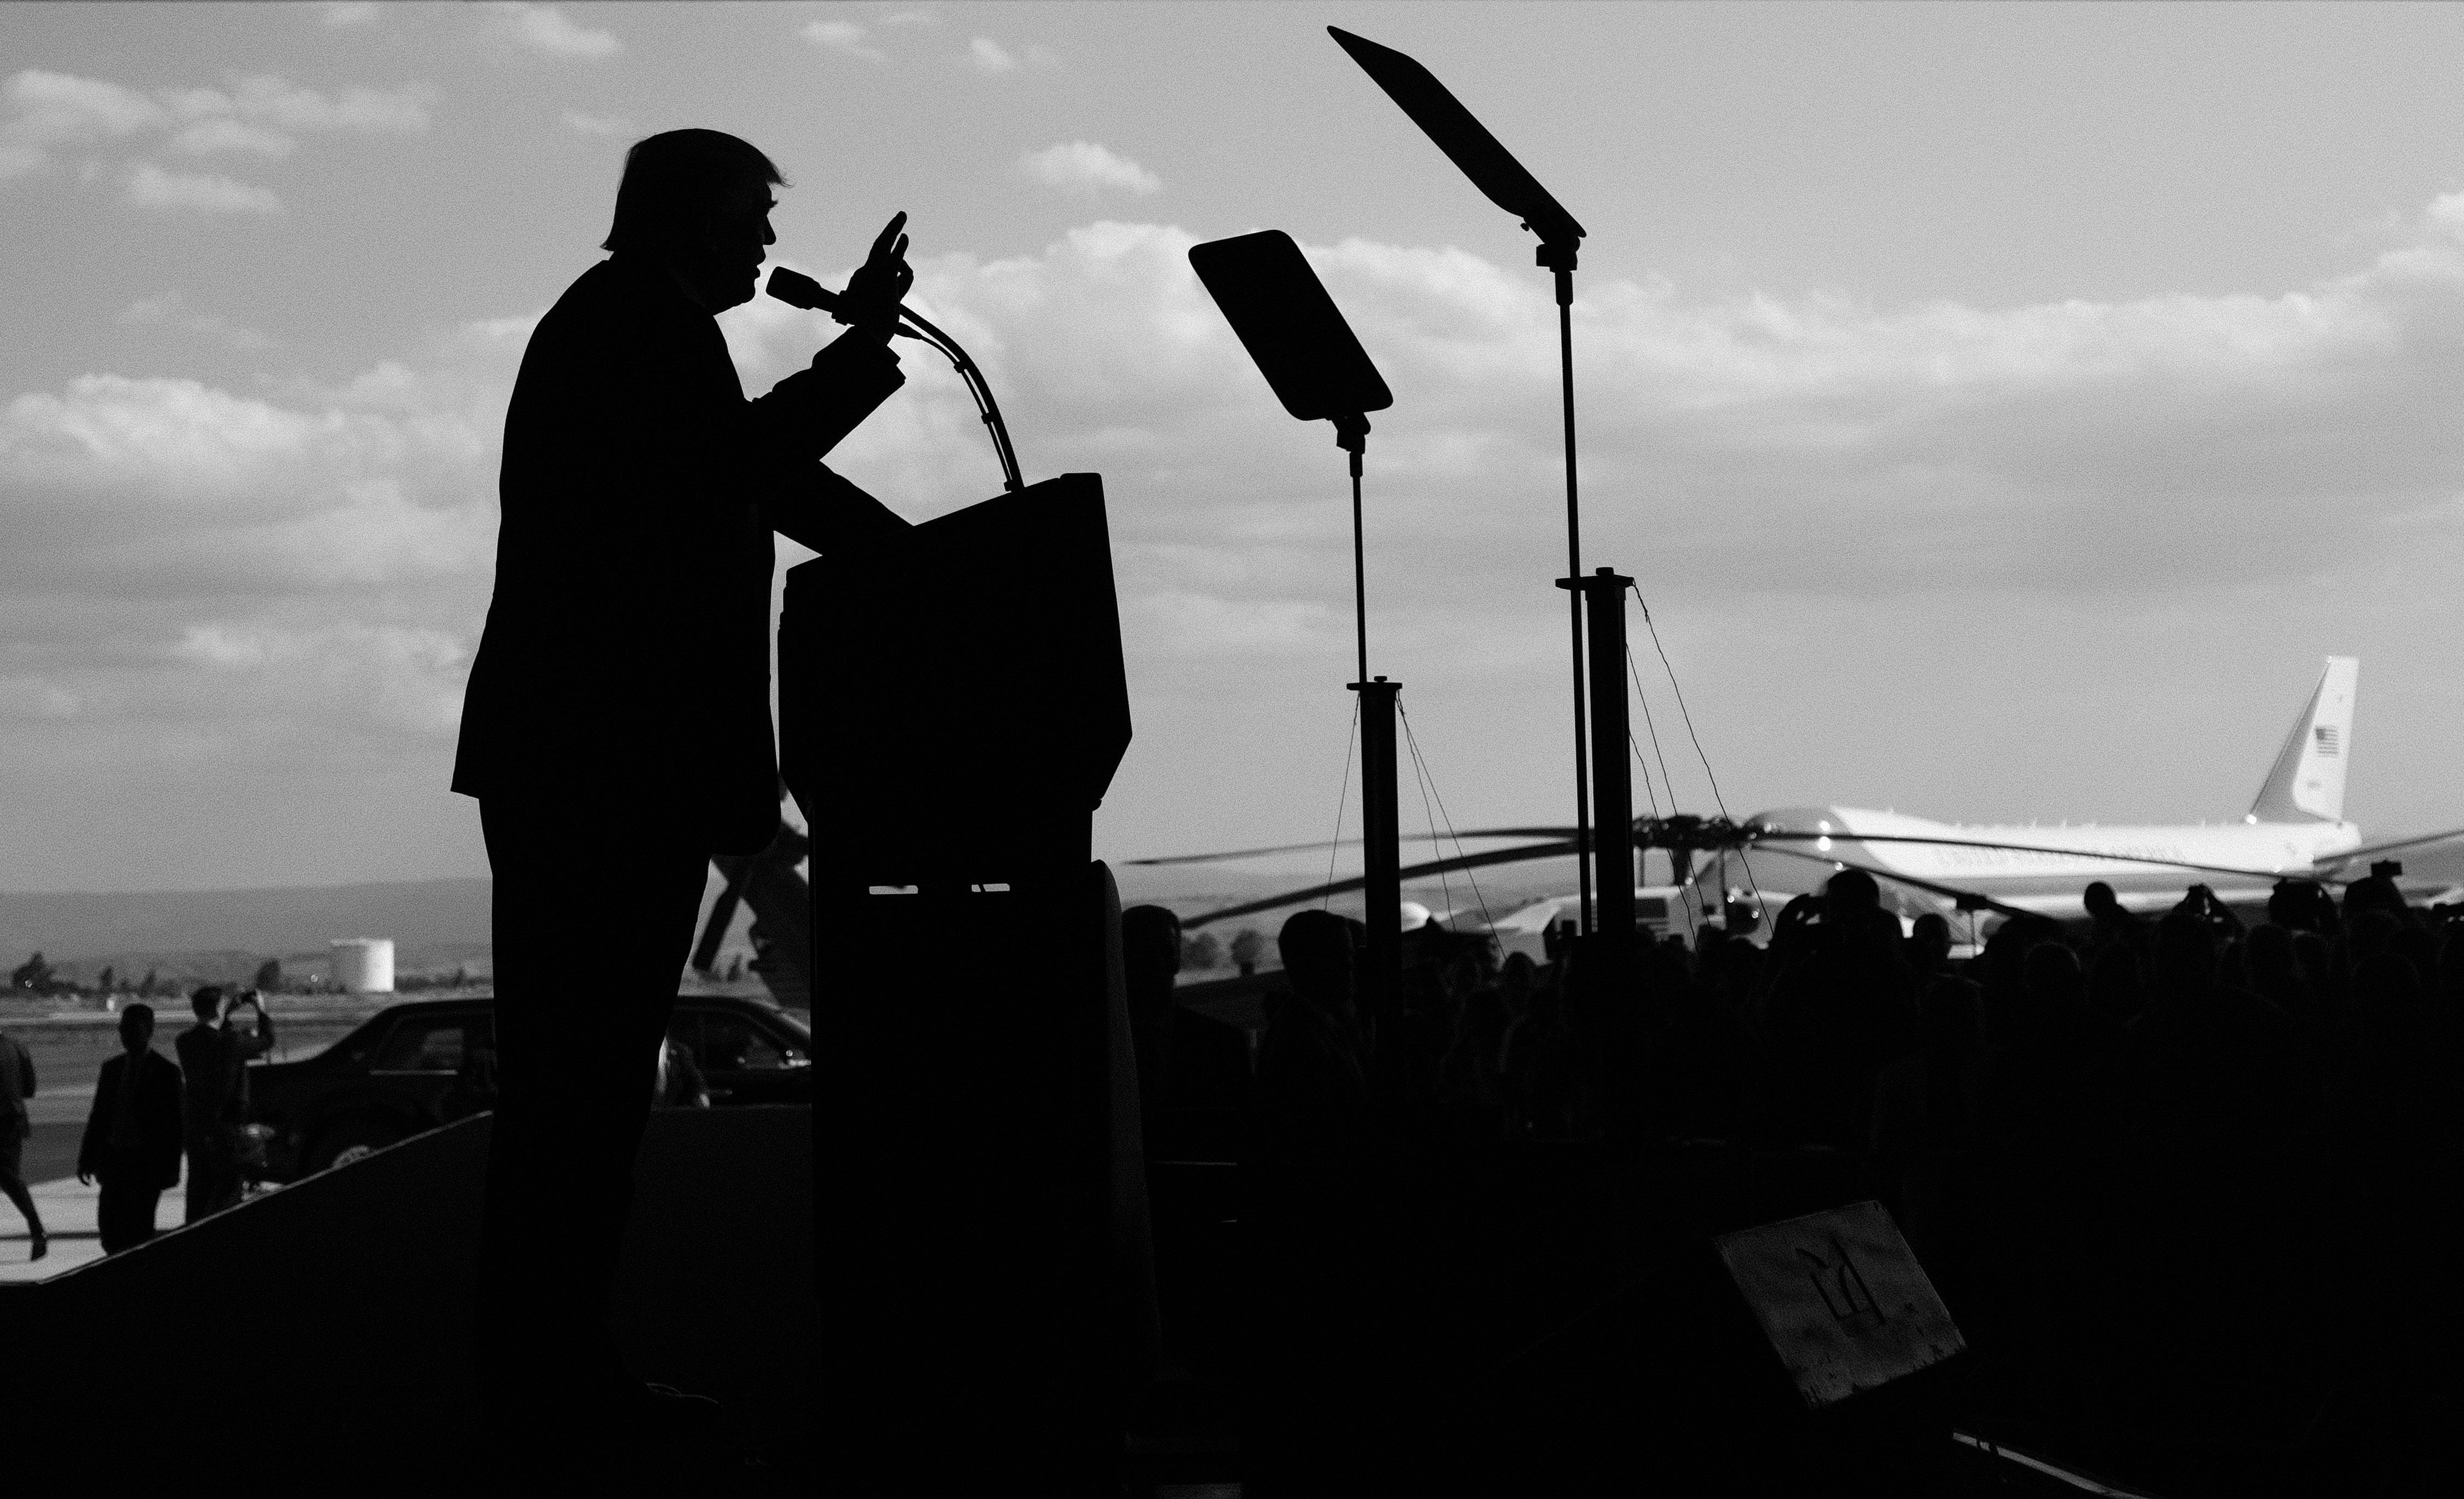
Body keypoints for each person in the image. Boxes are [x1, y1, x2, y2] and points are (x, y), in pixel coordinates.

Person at [447, 128, 916, 1462]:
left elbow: (737, 481)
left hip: (599, 771)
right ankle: (546, 1392)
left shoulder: (631, 326)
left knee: (583, 1108)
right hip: (603, 775)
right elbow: (736, 475)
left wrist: (900, 540)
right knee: (577, 1110)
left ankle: (552, 1379)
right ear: (681, 216)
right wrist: (860, 358)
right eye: (749, 216)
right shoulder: (628, 326)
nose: (767, 245)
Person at [77, 1004, 183, 1254]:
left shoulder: (167, 1073)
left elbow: (175, 1127)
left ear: (149, 1031)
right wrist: (87, 1158)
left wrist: (170, 1170)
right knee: (109, 1231)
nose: (125, 1035)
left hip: (144, 1166)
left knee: (140, 1233)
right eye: (123, 1029)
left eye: (132, 1029)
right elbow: (99, 1117)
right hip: (115, 1161)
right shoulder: (111, 1069)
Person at [174, 984, 278, 1222]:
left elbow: (213, 1033)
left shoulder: (185, 1042)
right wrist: (260, 1009)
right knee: (227, 1196)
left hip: (198, 1131)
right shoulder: (232, 1043)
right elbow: (267, 1040)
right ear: (219, 1009)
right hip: (227, 1132)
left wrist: (226, 1011)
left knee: (198, 1195)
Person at [0, 1023, 45, 1259]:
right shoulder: (17, 1047)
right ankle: (37, 1230)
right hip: (14, 1121)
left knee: (10, 1180)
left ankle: (37, 1229)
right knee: (11, 1180)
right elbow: (29, 1089)